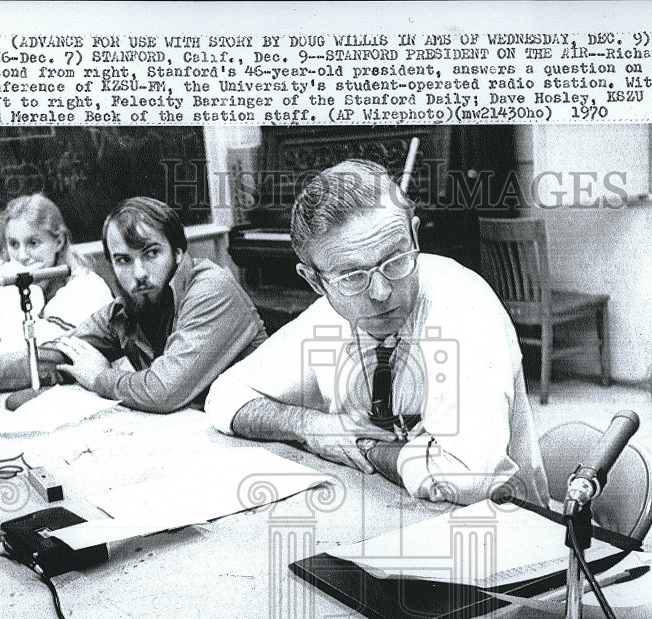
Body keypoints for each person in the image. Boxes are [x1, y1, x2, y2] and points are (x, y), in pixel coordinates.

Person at [206, 160, 547, 506]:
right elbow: (223, 397)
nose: (381, 292)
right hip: (389, 509)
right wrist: (309, 425)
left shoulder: (465, 307)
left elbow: (469, 478)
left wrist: (365, 447)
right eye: (352, 277)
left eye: (395, 260)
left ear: (414, 234)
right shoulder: (326, 317)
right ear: (315, 282)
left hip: (503, 529)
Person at [0, 196, 268, 413]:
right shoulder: (128, 309)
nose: (139, 273)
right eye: (123, 260)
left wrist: (99, 377)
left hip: (275, 443)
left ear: (178, 252)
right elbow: (49, 356)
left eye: (151, 253)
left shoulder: (211, 288)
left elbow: (165, 391)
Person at [0, 193, 114, 354]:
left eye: (33, 243)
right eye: (13, 244)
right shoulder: (36, 284)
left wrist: (15, 288)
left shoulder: (86, 287)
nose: (22, 256)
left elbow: (25, 352)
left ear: (58, 242)